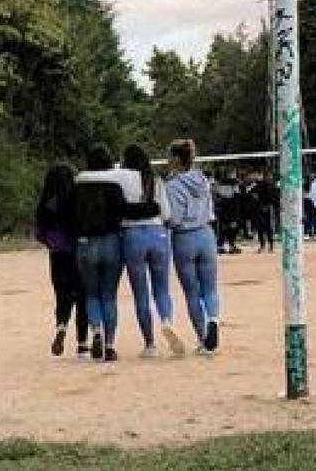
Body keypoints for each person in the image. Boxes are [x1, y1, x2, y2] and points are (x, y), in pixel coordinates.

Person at [117, 144, 184, 358]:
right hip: (158, 234)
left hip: (132, 235)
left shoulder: (122, 180)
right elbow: (166, 213)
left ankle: (149, 343)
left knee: (141, 294)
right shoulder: (156, 181)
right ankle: (166, 320)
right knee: (162, 289)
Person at [68, 144, 128, 362]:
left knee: (91, 295)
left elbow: (70, 218)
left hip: (85, 243)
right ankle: (110, 345)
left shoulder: (77, 188)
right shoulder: (115, 187)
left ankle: (96, 332)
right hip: (112, 242)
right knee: (109, 296)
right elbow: (123, 214)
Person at [166, 139, 221, 354]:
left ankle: (203, 336)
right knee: (210, 287)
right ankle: (214, 319)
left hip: (184, 237)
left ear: (177, 159)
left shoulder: (173, 185)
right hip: (206, 233)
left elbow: (175, 218)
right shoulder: (202, 180)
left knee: (192, 291)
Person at [35, 163, 89, 358]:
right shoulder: (77, 200)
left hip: (57, 254)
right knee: (82, 296)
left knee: (62, 294)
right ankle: (83, 343)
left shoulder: (46, 203)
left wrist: (52, 242)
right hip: (77, 252)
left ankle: (61, 326)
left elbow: (40, 234)